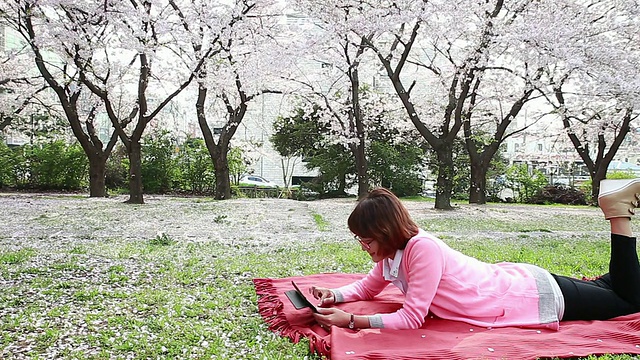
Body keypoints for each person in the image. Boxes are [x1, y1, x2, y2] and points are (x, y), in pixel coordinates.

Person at [310, 180, 640, 331]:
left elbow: (412, 319)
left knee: (630, 300)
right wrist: (335, 295)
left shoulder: (421, 249)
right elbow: (367, 288)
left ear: (383, 234)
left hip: (531, 296)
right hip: (520, 283)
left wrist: (352, 321)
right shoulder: (392, 255)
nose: (362, 246)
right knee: (613, 287)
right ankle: (619, 212)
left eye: (365, 240)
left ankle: (618, 215)